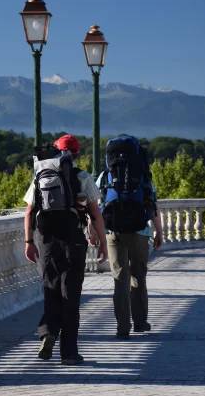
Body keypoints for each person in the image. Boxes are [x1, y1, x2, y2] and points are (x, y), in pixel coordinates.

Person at [23, 134, 107, 365]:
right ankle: (69, 353)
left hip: (46, 239)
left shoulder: (39, 175)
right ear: (77, 154)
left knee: (50, 289)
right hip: (73, 239)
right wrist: (103, 242)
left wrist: (29, 242)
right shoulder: (83, 177)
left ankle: (48, 332)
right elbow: (95, 215)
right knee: (70, 294)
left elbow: (29, 213)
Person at [89, 135, 164, 340]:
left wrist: (92, 231)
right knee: (138, 275)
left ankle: (122, 328)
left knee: (119, 278)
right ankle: (140, 322)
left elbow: (96, 207)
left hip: (112, 232)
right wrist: (159, 232)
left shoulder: (104, 177)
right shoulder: (143, 176)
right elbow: (153, 206)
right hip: (139, 232)